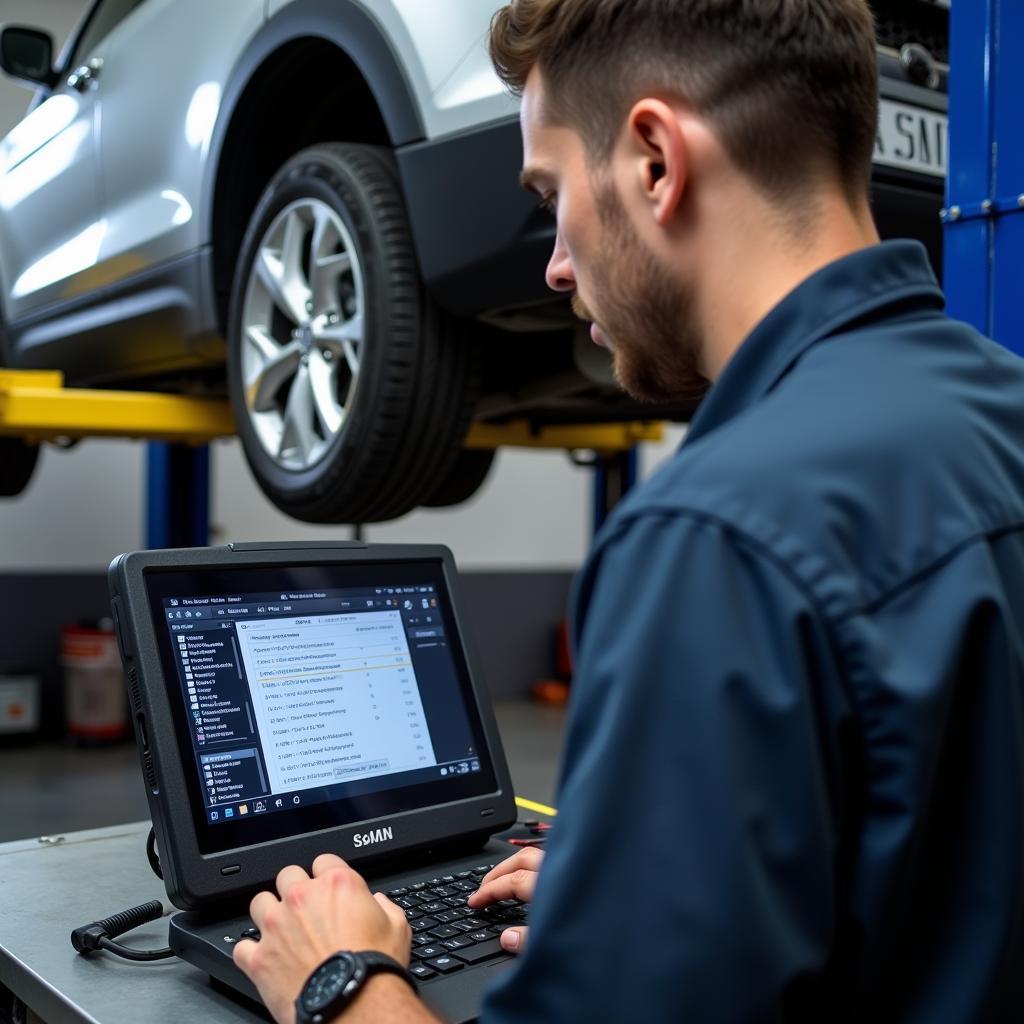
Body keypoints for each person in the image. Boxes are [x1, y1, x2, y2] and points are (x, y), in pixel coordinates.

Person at [233, 1, 1024, 1020]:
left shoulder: (715, 536)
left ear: (654, 159)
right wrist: (650, 878)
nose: (557, 264)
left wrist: (339, 979)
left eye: (551, 192)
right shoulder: (999, 407)